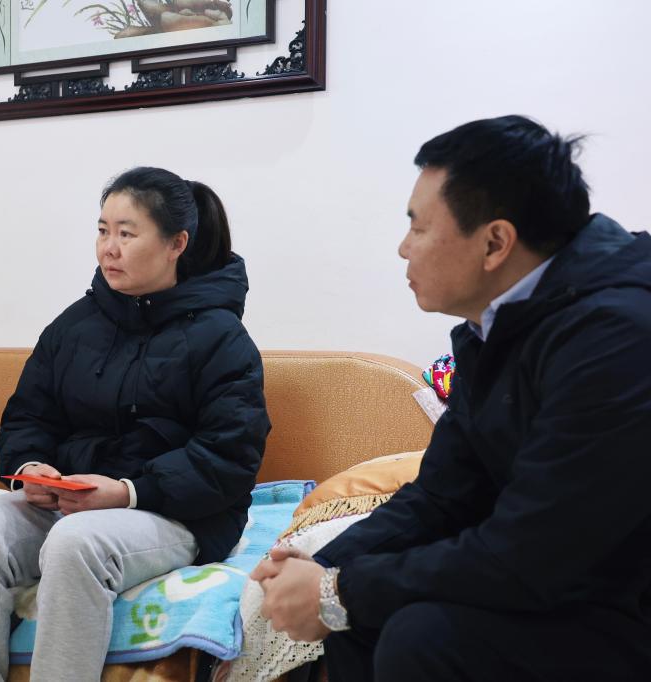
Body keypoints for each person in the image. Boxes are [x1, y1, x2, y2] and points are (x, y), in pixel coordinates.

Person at [251, 115, 651, 681]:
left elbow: (537, 552)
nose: (402, 248)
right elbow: (440, 497)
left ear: (494, 243)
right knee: (364, 621)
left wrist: (338, 591)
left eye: (418, 227)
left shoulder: (618, 336)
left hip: (620, 603)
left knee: (420, 635)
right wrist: (320, 566)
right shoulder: (495, 329)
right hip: (562, 582)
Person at [0, 166, 271, 681]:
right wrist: (30, 469)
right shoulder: (74, 324)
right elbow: (27, 416)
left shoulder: (221, 338)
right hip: (71, 501)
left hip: (176, 513)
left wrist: (128, 492)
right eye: (102, 230)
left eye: (126, 233)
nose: (108, 249)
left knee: (76, 543)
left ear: (176, 244)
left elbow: (229, 457)